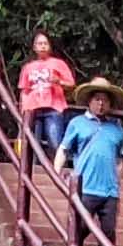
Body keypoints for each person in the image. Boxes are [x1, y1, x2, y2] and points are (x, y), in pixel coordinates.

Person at [60, 78, 123, 246]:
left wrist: (117, 184)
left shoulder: (117, 129)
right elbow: (63, 149)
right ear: (90, 101)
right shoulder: (77, 123)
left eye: (105, 100)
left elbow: (119, 160)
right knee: (80, 227)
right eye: (97, 99)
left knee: (108, 233)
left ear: (110, 103)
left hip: (109, 190)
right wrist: (56, 172)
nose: (101, 104)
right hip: (85, 186)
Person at [18, 33, 77, 162]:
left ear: (50, 46)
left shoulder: (58, 63)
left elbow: (72, 84)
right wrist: (22, 108)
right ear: (34, 47)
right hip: (32, 109)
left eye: (45, 43)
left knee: (55, 142)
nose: (43, 46)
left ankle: (58, 173)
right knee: (30, 143)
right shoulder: (28, 67)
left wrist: (59, 81)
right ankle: (29, 173)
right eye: (40, 43)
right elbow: (24, 89)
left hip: (53, 107)